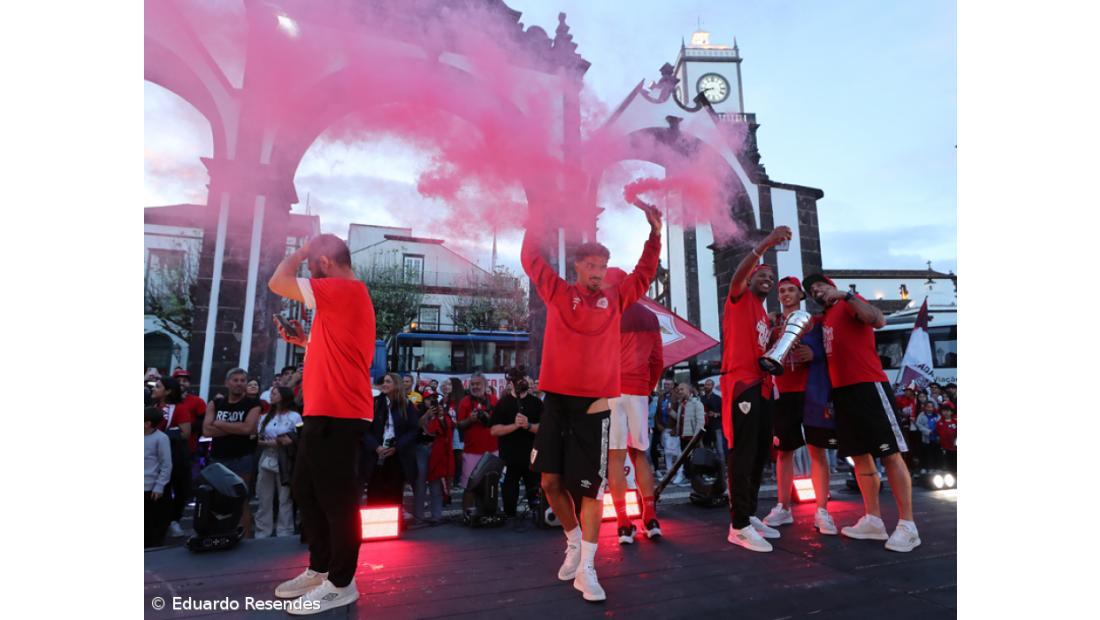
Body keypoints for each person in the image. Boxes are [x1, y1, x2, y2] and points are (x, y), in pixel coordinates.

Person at [521, 197, 661, 602]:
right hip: (558, 402)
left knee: (591, 490)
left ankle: (588, 568)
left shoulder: (616, 298)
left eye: (603, 267)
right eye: (592, 267)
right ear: (578, 268)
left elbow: (645, 272)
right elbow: (531, 257)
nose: (599, 273)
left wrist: (655, 233)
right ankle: (573, 542)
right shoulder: (558, 292)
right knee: (549, 481)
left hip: (597, 406)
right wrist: (536, 215)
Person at [268, 234, 376, 614]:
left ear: (325, 262)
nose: (310, 272)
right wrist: (305, 343)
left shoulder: (342, 289)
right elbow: (338, 351)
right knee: (307, 491)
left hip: (339, 412)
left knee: (337, 500)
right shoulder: (345, 297)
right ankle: (321, 568)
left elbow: (277, 282)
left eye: (313, 265)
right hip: (327, 411)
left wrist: (299, 250)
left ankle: (342, 582)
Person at [803, 272, 921, 552]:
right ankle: (873, 519)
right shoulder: (824, 318)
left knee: (890, 453)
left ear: (831, 286)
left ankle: (908, 525)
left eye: (819, 286)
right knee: (860, 457)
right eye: (810, 291)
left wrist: (846, 295)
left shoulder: (849, 302)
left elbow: (879, 320)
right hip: (842, 392)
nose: (815, 291)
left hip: (868, 385)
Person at [720, 226, 791, 553]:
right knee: (743, 452)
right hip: (741, 383)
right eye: (761, 273)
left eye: (771, 275)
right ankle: (738, 525)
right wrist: (765, 245)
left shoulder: (763, 312)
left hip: (762, 387)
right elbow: (738, 274)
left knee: (761, 453)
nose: (768, 277)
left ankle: (748, 513)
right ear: (750, 279)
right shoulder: (738, 297)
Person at [762, 276, 839, 536]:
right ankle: (783, 506)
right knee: (784, 452)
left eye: (790, 290)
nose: (785, 294)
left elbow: (826, 348)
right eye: (781, 291)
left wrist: (814, 354)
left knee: (817, 450)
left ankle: (822, 510)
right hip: (783, 392)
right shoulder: (773, 325)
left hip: (810, 391)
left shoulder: (814, 322)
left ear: (801, 295)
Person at [603, 267, 664, 544]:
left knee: (616, 456)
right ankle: (650, 517)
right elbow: (657, 362)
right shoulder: (650, 316)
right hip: (639, 390)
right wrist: (647, 388)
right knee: (641, 454)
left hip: (611, 391)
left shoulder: (604, 313)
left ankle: (624, 522)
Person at [203, 368, 261, 537]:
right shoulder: (215, 403)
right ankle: (216, 535)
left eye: (243, 380)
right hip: (218, 458)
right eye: (235, 380)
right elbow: (207, 430)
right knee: (216, 500)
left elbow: (249, 428)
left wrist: (219, 423)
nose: (239, 383)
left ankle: (248, 539)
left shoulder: (253, 404)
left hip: (241, 458)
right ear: (227, 383)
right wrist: (237, 429)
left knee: (241, 501)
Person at [490, 370, 543, 517]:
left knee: (535, 492)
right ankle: (509, 517)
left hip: (532, 457)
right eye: (520, 380)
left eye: (524, 379)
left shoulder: (537, 403)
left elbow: (545, 429)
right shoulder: (503, 403)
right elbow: (494, 430)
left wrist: (528, 426)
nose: (523, 382)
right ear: (512, 383)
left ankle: (536, 516)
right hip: (509, 458)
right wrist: (514, 426)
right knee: (509, 493)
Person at [362, 373, 421, 507]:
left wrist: (397, 447)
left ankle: (392, 527)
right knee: (375, 494)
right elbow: (364, 429)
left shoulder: (406, 405)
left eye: (388, 382)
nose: (384, 384)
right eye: (384, 381)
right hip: (376, 456)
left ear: (396, 384)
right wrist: (376, 447)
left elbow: (413, 429)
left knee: (393, 496)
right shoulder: (374, 403)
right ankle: (374, 527)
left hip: (396, 457)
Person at [254, 387, 303, 538]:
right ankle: (263, 531)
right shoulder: (266, 416)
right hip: (267, 455)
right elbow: (258, 436)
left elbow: (300, 437)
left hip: (285, 459)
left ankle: (285, 531)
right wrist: (269, 442)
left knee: (284, 497)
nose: (271, 396)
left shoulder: (294, 416)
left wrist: (287, 441)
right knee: (264, 496)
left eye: (275, 393)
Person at [151, 376, 192, 539]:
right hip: (152, 457)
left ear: (168, 391)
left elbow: (186, 433)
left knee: (176, 488)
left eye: (158, 386)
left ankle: (173, 520)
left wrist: (161, 435)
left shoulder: (179, 409)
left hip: (173, 455)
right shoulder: (152, 406)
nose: (154, 388)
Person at [456, 373, 498, 489]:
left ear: (485, 385)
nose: (475, 386)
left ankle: (486, 508)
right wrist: (470, 420)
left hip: (492, 451)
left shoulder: (494, 400)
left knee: (490, 488)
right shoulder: (465, 401)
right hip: (471, 452)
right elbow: (459, 425)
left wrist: (489, 418)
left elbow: (500, 422)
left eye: (478, 384)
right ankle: (468, 508)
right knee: (470, 488)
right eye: (472, 384)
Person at [422, 391, 455, 522]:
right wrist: (427, 415)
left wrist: (439, 417)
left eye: (436, 401)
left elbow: (440, 432)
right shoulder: (421, 412)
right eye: (430, 400)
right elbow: (422, 427)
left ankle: (436, 516)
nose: (435, 404)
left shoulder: (446, 419)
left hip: (439, 455)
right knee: (420, 486)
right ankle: (420, 515)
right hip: (422, 452)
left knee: (437, 486)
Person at [145, 407, 173, 548]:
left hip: (150, 488)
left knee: (150, 522)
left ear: (147, 424)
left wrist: (159, 485)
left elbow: (166, 464)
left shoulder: (161, 438)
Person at [674, 383, 705, 484]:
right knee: (685, 458)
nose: (679, 391)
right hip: (683, 436)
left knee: (695, 459)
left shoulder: (697, 403)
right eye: (678, 389)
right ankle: (688, 477)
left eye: (682, 389)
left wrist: (696, 437)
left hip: (692, 437)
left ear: (689, 390)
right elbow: (682, 419)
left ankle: (697, 479)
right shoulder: (681, 404)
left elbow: (700, 422)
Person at [440, 378, 466, 488]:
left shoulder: (462, 400)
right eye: (445, 384)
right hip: (446, 432)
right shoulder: (443, 401)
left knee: (458, 456)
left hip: (458, 432)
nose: (446, 386)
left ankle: (457, 478)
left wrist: (458, 423)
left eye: (449, 384)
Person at [700, 379, 724, 458]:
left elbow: (724, 413)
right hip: (705, 428)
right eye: (705, 385)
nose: (706, 386)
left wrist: (715, 414)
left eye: (708, 385)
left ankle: (722, 470)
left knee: (720, 451)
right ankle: (709, 468)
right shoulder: (701, 399)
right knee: (707, 450)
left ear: (713, 386)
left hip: (716, 427)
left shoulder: (718, 399)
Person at [916, 401, 942, 473]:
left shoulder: (937, 415)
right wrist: (927, 431)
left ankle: (935, 468)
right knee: (926, 453)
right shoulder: (921, 415)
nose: (930, 408)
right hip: (926, 438)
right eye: (928, 407)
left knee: (935, 453)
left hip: (936, 438)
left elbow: (941, 424)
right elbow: (918, 425)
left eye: (931, 407)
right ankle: (925, 467)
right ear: (925, 407)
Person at [937, 402, 957, 474]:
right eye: (944, 411)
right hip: (945, 447)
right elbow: (939, 433)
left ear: (951, 412)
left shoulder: (955, 421)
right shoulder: (939, 423)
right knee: (948, 462)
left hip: (955, 447)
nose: (946, 413)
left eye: (948, 411)